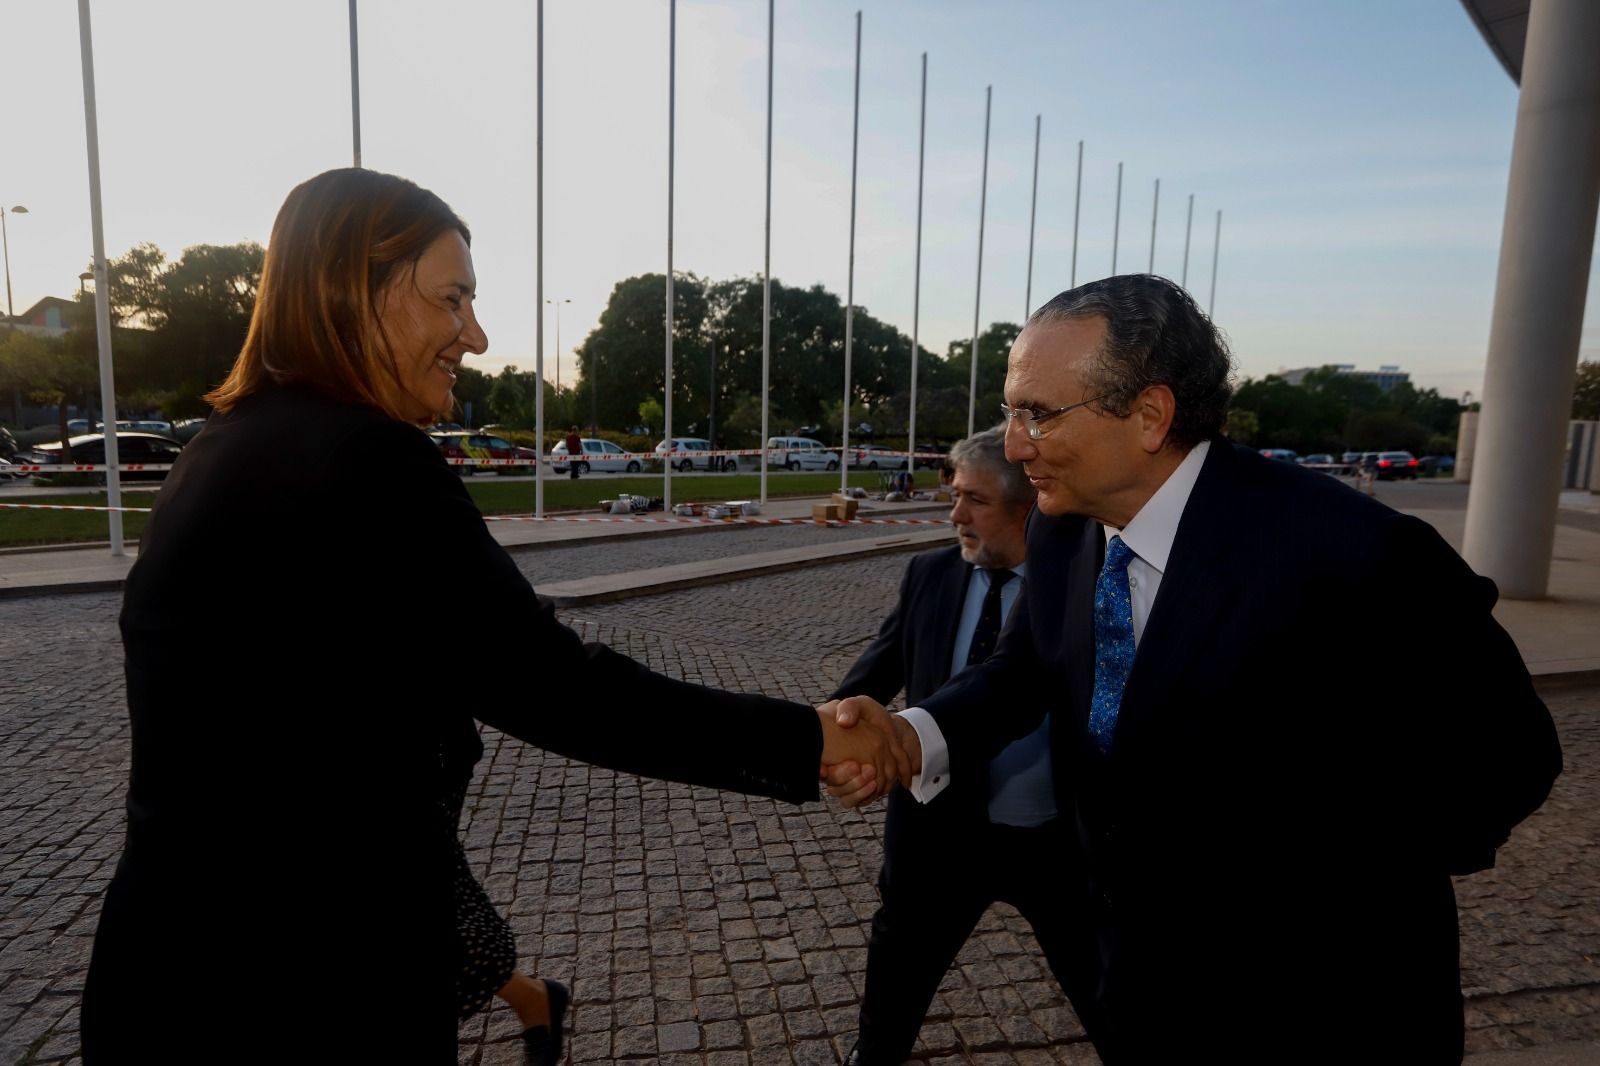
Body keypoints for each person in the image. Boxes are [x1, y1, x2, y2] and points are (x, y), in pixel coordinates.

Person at [80, 167, 902, 1064]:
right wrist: (810, 739)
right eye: (452, 299)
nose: (475, 335)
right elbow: (554, 688)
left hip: (163, 968)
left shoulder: (218, 449)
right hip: (303, 986)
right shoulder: (369, 460)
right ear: (354, 290)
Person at [826, 274, 1563, 1064]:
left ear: (1150, 415)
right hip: (1143, 997)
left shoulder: (1353, 553)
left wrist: (1322, 877)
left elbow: (1510, 759)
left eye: (1036, 413)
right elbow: (1028, 666)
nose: (1012, 444)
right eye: (1013, 411)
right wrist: (913, 731)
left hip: (1325, 1012)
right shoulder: (1065, 534)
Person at [830, 426, 1096, 1066]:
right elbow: (874, 671)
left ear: (1026, 507)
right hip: (937, 838)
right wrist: (839, 732)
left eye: (973, 500)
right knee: (891, 1000)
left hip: (1054, 842)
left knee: (1104, 988)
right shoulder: (929, 573)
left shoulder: (1084, 585)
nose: (954, 515)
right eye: (954, 496)